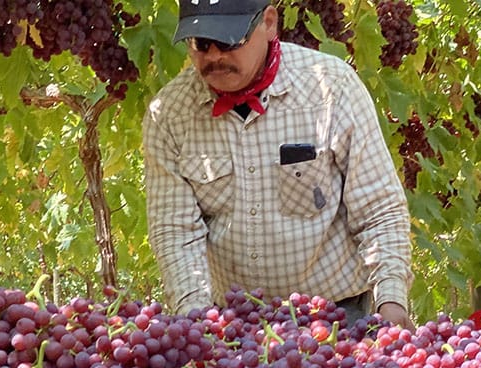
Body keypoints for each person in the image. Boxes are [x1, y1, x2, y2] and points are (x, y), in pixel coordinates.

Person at [142, 0, 414, 328]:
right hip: (233, 325)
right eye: (201, 43)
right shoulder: (169, 115)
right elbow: (175, 231)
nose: (214, 56)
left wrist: (391, 299)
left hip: (336, 319)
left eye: (229, 41)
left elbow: (378, 210)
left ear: (269, 23)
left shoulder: (331, 88)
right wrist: (197, 322)